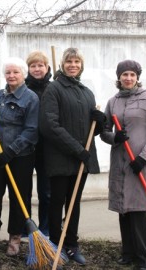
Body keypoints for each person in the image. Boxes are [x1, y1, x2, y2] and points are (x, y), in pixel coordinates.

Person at [39, 47, 106, 265]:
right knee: (56, 201)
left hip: (81, 159)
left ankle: (72, 245)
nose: (73, 65)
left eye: (76, 62)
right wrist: (76, 149)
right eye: (69, 62)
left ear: (81, 65)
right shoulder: (54, 89)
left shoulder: (86, 92)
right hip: (60, 157)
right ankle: (55, 245)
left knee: (74, 202)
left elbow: (92, 130)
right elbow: (49, 125)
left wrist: (99, 121)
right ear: (62, 64)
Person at [100, 60, 146, 270]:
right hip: (120, 163)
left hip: (139, 164)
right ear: (118, 77)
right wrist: (114, 137)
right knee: (123, 211)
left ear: (137, 77)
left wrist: (144, 158)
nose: (128, 78)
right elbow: (104, 132)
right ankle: (127, 253)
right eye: (124, 74)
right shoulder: (113, 101)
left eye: (132, 75)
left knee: (137, 212)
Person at [0, 57, 39, 256]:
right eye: (8, 72)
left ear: (23, 74)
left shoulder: (30, 98)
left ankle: (15, 238)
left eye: (16, 72)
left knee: (19, 198)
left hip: (20, 157)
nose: (11, 76)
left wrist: (11, 151)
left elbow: (31, 130)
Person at [25, 51, 52, 236]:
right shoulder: (20, 88)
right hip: (25, 147)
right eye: (33, 66)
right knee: (24, 191)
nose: (37, 69)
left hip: (48, 148)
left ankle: (46, 229)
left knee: (47, 192)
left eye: (40, 65)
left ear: (47, 67)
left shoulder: (54, 88)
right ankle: (25, 228)